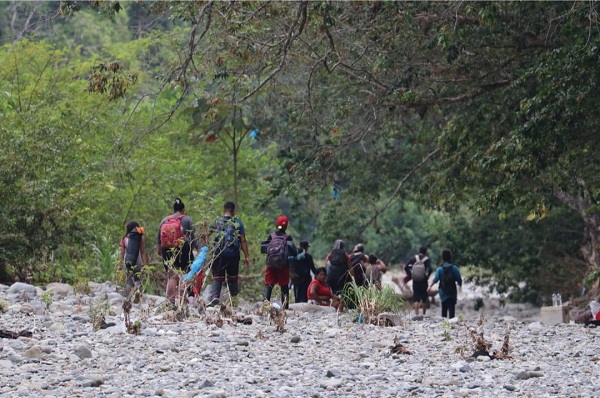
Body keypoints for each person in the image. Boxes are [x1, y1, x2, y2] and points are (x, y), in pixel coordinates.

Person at [157, 198, 200, 305]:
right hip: (183, 249)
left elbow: (159, 239)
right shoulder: (188, 220)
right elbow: (193, 238)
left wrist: (160, 251)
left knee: (172, 274)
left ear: (173, 209)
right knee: (186, 273)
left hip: (166, 250)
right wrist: (199, 250)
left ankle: (171, 301)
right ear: (183, 209)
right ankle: (184, 300)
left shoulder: (164, 220)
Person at [208, 201, 250, 306]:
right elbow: (243, 240)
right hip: (233, 255)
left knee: (217, 276)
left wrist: (207, 248)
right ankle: (233, 300)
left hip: (219, 253)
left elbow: (206, 234)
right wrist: (246, 256)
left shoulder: (217, 222)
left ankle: (215, 297)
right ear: (233, 211)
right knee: (232, 277)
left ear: (224, 210)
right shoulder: (238, 223)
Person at [261, 215, 297, 309]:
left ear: (277, 225)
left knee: (268, 285)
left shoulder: (271, 236)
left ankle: (265, 305)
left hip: (270, 265)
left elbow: (264, 249)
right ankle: (285, 306)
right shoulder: (288, 238)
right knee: (284, 286)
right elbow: (294, 252)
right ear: (286, 226)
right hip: (283, 266)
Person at [118, 221, 148, 303]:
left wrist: (120, 265)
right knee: (137, 278)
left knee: (128, 281)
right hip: (138, 261)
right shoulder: (140, 239)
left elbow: (122, 253)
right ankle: (138, 291)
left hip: (128, 261)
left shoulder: (124, 239)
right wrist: (145, 266)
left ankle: (128, 299)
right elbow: (143, 252)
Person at [428, 248, 462, 318]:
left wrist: (429, 287)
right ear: (450, 257)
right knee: (452, 309)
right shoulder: (454, 268)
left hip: (443, 292)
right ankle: (452, 323)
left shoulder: (440, 269)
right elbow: (459, 280)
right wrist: (460, 286)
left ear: (442, 258)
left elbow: (435, 279)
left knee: (444, 309)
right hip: (452, 292)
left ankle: (444, 324)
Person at [405, 246, 433, 316]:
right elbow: (430, 269)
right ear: (425, 252)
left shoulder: (414, 258)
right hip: (423, 280)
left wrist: (411, 274)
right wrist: (427, 276)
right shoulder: (427, 260)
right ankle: (423, 314)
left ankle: (416, 314)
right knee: (424, 298)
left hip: (415, 281)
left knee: (416, 298)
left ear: (419, 251)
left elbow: (406, 267)